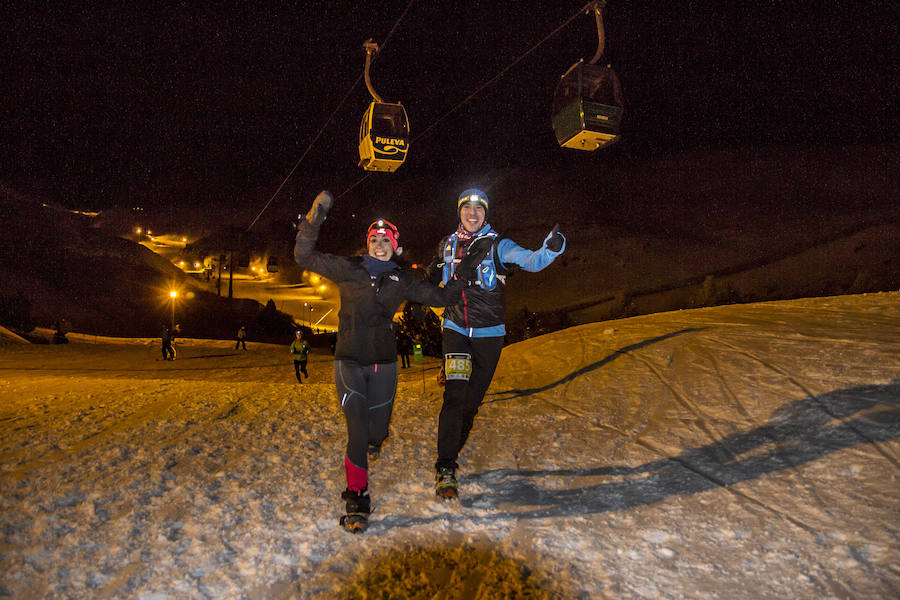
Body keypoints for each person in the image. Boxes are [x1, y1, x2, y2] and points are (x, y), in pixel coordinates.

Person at [294, 190, 488, 533]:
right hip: (348, 360)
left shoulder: (401, 279)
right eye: (374, 239)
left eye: (386, 240)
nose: (380, 244)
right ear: (367, 243)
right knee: (356, 430)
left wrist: (464, 269)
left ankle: (375, 440)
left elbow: (441, 297)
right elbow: (304, 256)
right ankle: (357, 500)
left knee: (378, 430)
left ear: (395, 246)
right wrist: (315, 218)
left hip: (384, 362)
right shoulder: (349, 268)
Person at [427, 188, 566, 499]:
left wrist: (551, 249)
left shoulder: (498, 245)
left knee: (470, 404)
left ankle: (450, 450)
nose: (472, 213)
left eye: (479, 209)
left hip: (489, 335)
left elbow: (531, 261)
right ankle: (445, 466)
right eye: (467, 208)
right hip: (455, 329)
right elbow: (432, 277)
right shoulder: (446, 245)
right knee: (454, 395)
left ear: (485, 214)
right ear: (459, 212)